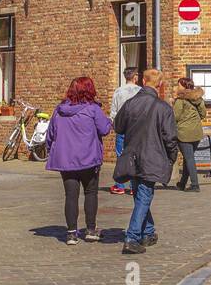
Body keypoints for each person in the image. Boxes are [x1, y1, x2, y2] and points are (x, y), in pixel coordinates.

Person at [114, 69, 178, 253]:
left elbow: (118, 126)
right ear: (160, 84)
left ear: (142, 81)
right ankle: (132, 237)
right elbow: (170, 137)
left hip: (133, 156)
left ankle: (148, 232)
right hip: (152, 156)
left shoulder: (130, 104)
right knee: (143, 195)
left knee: (140, 194)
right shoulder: (164, 108)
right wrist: (171, 157)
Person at [45, 76, 112, 245]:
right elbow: (104, 129)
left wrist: (51, 150)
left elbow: (50, 135)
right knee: (90, 193)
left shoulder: (59, 111)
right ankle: (90, 230)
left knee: (70, 196)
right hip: (88, 158)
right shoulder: (92, 110)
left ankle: (71, 234)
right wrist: (109, 120)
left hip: (66, 160)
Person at [109, 67, 142, 195]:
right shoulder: (140, 91)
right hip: (137, 128)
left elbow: (114, 112)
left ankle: (120, 185)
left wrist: (115, 125)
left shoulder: (118, 91)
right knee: (136, 156)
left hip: (122, 127)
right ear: (135, 77)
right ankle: (134, 186)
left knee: (121, 155)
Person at [172, 77, 208, 192]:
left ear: (184, 86)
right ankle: (182, 183)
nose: (177, 87)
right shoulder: (198, 98)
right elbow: (203, 113)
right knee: (189, 158)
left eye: (179, 85)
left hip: (184, 133)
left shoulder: (180, 100)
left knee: (189, 158)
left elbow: (175, 117)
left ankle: (195, 185)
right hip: (196, 132)